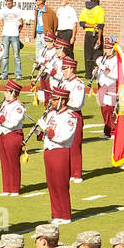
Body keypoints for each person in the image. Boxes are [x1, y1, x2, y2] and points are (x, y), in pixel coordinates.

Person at [41, 85, 77, 222]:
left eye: (55, 99)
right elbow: (48, 133)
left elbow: (64, 137)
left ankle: (66, 214)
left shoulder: (70, 117)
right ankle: (56, 214)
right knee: (51, 184)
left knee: (61, 184)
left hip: (60, 151)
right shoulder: (51, 114)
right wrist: (41, 133)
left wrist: (48, 131)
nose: (52, 101)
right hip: (49, 150)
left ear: (62, 100)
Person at [78, 0, 105, 80]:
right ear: (97, 0)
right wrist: (99, 38)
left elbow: (81, 23)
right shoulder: (99, 9)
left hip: (88, 35)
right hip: (96, 34)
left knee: (87, 55)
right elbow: (100, 25)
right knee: (97, 55)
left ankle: (88, 74)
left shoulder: (84, 9)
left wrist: (89, 26)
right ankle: (95, 74)